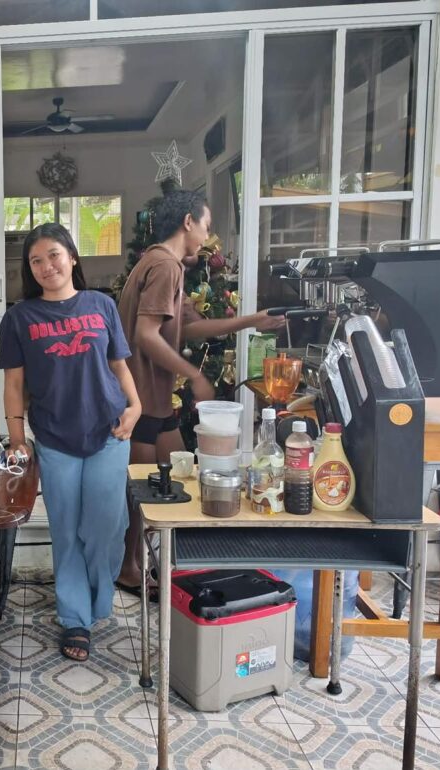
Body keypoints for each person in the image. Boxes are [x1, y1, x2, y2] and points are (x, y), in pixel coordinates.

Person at [115, 190, 286, 593]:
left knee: (181, 478)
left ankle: (154, 563)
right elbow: (145, 334)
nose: (208, 237)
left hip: (155, 401)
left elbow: (189, 328)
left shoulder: (164, 264)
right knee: (144, 493)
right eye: (206, 226)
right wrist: (194, 374)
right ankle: (128, 566)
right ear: (188, 222)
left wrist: (251, 321)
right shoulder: (163, 265)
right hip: (140, 399)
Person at [0, 223, 141, 662]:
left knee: (106, 526)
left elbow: (118, 365)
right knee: (65, 527)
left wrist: (136, 406)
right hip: (56, 437)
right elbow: (14, 385)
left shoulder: (101, 305)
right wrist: (17, 438)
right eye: (36, 260)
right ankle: (76, 617)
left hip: (109, 431)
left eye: (54, 255)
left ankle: (98, 594)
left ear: (72, 257)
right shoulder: (20, 318)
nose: (46, 266)